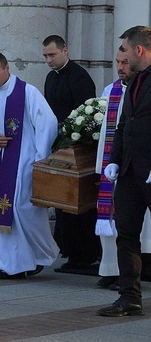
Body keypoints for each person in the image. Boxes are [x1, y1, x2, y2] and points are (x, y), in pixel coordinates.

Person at [0, 52, 59, 279]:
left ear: (6, 68)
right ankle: (7, 263)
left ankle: (41, 253)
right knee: (4, 211)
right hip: (3, 164)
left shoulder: (26, 92)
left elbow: (47, 122)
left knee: (24, 211)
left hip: (25, 162)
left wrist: (41, 157)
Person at [99, 25, 151, 317]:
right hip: (130, 172)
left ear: (139, 50)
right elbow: (124, 124)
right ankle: (129, 296)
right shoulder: (133, 82)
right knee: (126, 233)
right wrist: (115, 160)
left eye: (127, 51)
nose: (124, 57)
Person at [42, 34, 101, 273]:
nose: (48, 60)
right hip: (59, 147)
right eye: (45, 56)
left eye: (52, 55)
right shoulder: (50, 77)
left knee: (78, 203)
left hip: (78, 149)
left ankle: (85, 255)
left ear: (65, 51)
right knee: (62, 202)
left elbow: (85, 115)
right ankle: (70, 253)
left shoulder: (79, 76)